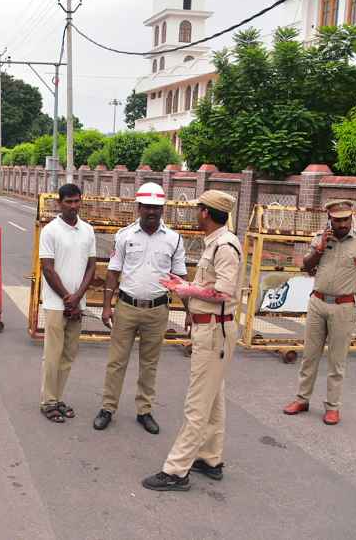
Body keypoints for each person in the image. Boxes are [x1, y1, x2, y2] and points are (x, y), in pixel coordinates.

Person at [142, 190, 242, 492]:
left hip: (215, 331)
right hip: (210, 329)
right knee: (213, 399)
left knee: (197, 403)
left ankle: (176, 470)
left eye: (198, 209)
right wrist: (186, 285)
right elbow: (210, 286)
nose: (196, 213)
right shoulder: (217, 242)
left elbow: (224, 292)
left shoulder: (224, 246)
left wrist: (188, 292)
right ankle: (210, 459)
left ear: (206, 213)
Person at [283, 199, 356, 425]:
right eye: (337, 220)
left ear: (352, 218)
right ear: (329, 219)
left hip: (344, 306)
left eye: (346, 220)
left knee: (336, 361)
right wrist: (320, 248)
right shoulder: (320, 238)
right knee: (309, 356)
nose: (342, 224)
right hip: (317, 303)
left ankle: (333, 407)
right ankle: (302, 399)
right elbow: (306, 267)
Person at [94, 182, 187, 435]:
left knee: (150, 363)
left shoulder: (174, 239)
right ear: (138, 207)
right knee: (116, 361)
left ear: (162, 210)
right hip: (126, 306)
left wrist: (188, 312)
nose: (151, 212)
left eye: (156, 208)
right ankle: (107, 408)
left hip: (158, 310)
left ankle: (144, 411)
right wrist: (106, 307)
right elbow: (113, 273)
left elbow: (179, 280)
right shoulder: (124, 235)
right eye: (147, 207)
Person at [38, 183, 97, 423]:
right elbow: (47, 269)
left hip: (77, 304)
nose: (73, 206)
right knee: (52, 355)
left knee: (68, 355)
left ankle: (58, 397)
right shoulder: (50, 231)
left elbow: (92, 266)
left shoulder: (88, 231)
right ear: (58, 203)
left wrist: (78, 297)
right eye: (68, 202)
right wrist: (67, 297)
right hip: (55, 304)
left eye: (76, 201)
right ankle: (48, 401)